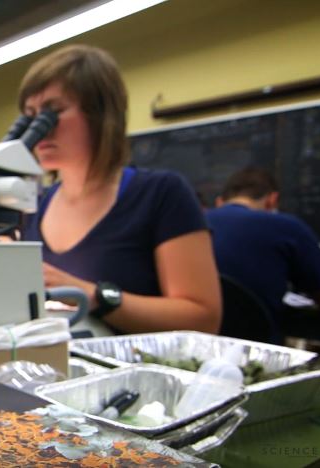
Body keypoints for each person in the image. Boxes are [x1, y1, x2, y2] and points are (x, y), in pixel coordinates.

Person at [20, 45, 221, 334]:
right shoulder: (35, 206)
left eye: (54, 112)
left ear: (100, 115)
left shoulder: (162, 193)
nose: (39, 129)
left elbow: (203, 318)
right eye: (31, 116)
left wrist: (91, 295)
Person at [207, 167, 320, 318]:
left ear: (219, 202)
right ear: (272, 200)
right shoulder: (288, 228)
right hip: (258, 337)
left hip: (196, 336)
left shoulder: (193, 225)